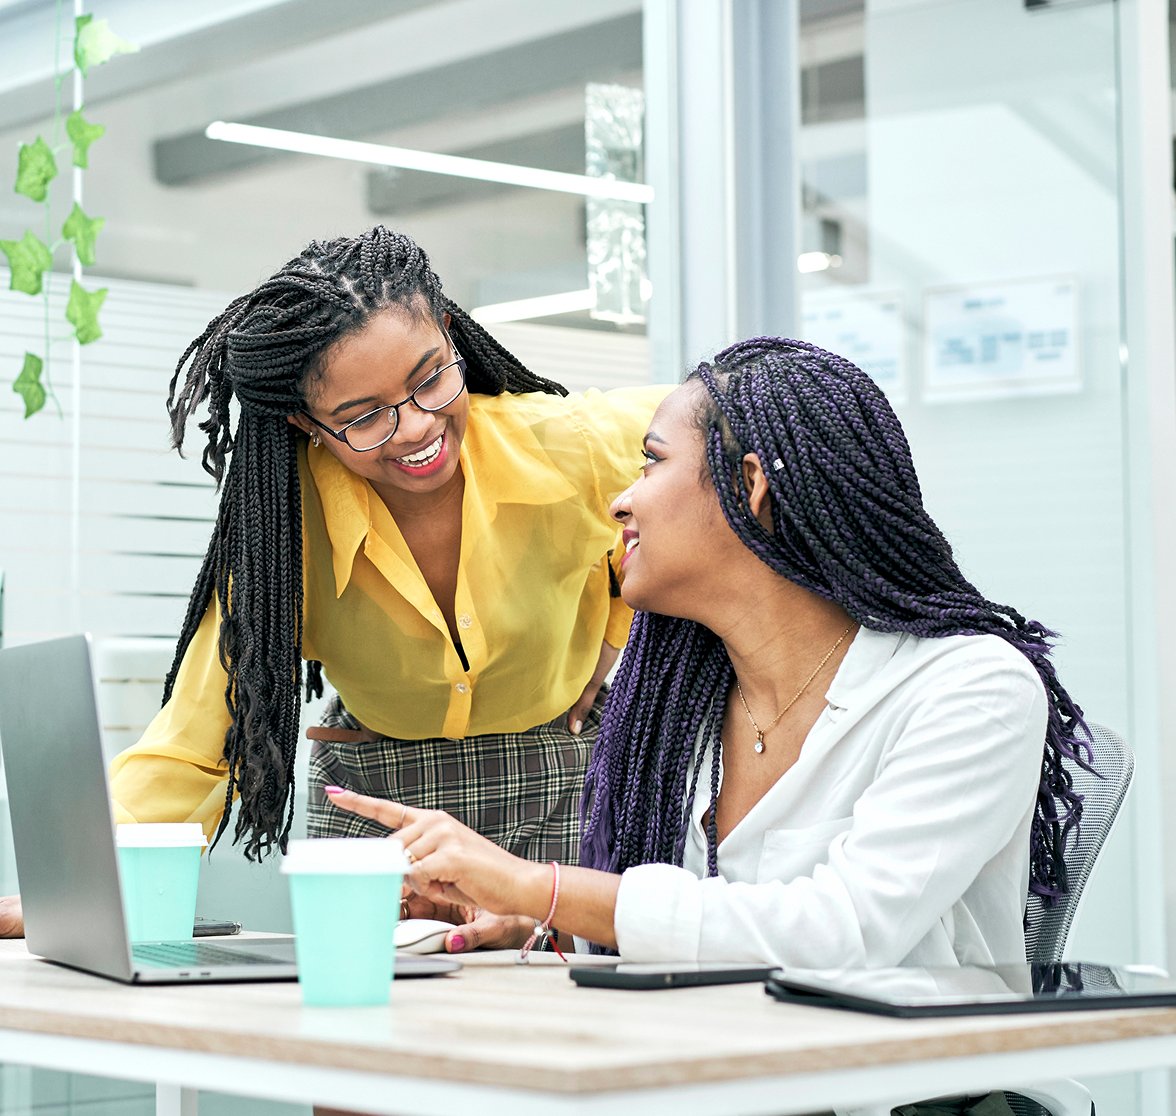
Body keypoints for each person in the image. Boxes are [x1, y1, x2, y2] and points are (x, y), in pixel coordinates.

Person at [324, 335, 1091, 976]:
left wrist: (543, 886)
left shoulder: (968, 688)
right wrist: (536, 923)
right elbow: (692, 932)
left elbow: (844, 936)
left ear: (748, 484)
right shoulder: (677, 701)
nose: (621, 501)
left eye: (652, 463)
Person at [0, 225, 664, 947]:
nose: (415, 427)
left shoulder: (570, 443)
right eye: (364, 417)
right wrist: (80, 885)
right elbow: (195, 742)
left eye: (431, 378)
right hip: (376, 802)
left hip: (559, 778)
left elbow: (732, 443)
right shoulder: (285, 534)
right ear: (305, 422)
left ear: (449, 334)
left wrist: (618, 634)